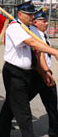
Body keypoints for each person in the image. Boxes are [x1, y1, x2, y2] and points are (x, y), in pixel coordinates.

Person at [0, 1, 58, 137]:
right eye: (29, 14)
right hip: (14, 74)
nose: (32, 17)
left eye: (33, 14)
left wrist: (44, 73)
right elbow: (32, 43)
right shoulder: (15, 28)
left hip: (30, 73)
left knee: (11, 106)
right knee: (24, 112)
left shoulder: (31, 29)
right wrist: (54, 52)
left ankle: (1, 133)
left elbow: (37, 54)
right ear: (20, 14)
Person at [29, 9, 58, 137]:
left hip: (46, 74)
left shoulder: (43, 34)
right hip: (37, 74)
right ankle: (4, 126)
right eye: (44, 21)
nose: (47, 24)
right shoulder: (34, 34)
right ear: (36, 22)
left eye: (47, 21)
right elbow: (38, 56)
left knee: (52, 104)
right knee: (19, 104)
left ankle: (54, 130)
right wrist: (45, 72)